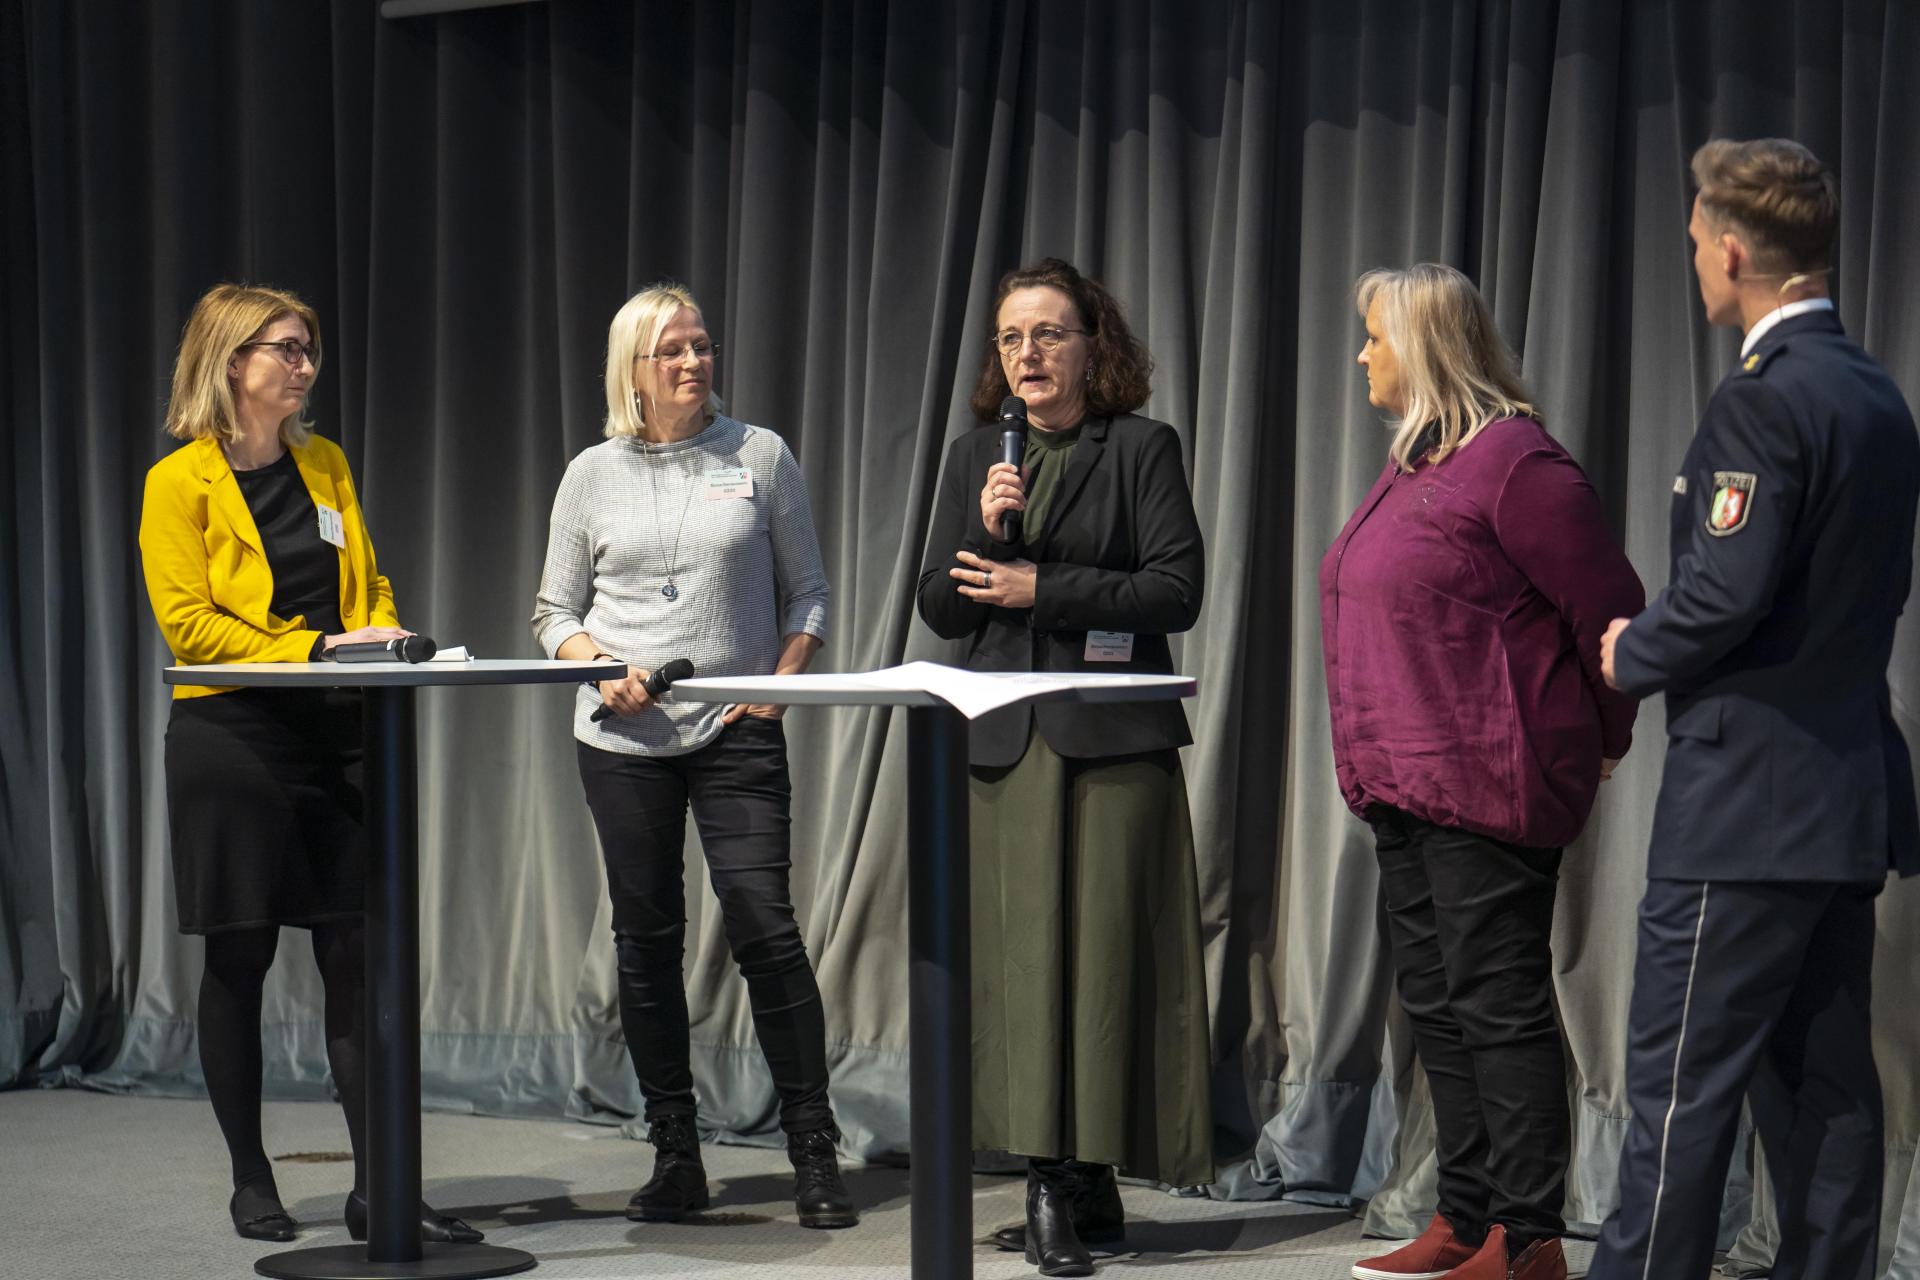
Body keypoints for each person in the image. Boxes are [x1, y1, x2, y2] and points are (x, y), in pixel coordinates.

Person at [1591, 138, 1920, 1280]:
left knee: (1680, 1092)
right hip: (1842, 802)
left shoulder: (1763, 403)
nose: (1694, 264)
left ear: (1734, 252)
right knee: (1827, 1092)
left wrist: (1635, 650)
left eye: (1694, 245)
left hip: (1741, 812)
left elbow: (1726, 590)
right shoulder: (1877, 396)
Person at [138, 283, 481, 1245]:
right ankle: (252, 1179)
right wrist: (316, 650)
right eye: (285, 349)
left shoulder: (324, 463)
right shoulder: (179, 483)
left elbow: (362, 578)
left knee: (358, 956)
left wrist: (378, 633)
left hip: (336, 729)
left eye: (308, 350)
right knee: (239, 956)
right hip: (233, 737)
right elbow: (190, 626)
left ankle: (383, 1183)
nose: (304, 365)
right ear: (229, 361)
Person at [1321, 264, 1644, 1280]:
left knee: (1496, 1004)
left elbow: (1613, 611)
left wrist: (1603, 738)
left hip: (1488, 781)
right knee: (1441, 1002)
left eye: (1375, 336)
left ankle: (1530, 1235)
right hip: (1403, 783)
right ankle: (1465, 1216)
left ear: (1420, 345)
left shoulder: (1517, 463)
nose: (1362, 353)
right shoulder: (1417, 461)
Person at [531, 282, 853, 1230]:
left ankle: (812, 1149)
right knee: (647, 941)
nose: (693, 364)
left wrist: (778, 688)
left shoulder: (761, 456)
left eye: (703, 347)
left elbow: (812, 599)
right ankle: (676, 1152)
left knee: (764, 924)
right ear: (633, 368)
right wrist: (598, 670)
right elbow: (554, 614)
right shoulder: (591, 472)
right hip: (623, 737)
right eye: (672, 351)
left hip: (738, 731)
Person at [915, 258, 1211, 1279]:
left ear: (1094, 345)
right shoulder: (975, 458)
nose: (1027, 353)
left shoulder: (1139, 448)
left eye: (1048, 333)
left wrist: (1043, 583)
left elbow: (1176, 590)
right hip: (1002, 741)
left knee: (1104, 966)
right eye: (1010, 338)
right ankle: (1047, 1175)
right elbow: (942, 607)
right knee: (1023, 972)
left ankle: (1088, 1167)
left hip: (1109, 742)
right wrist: (986, 529)